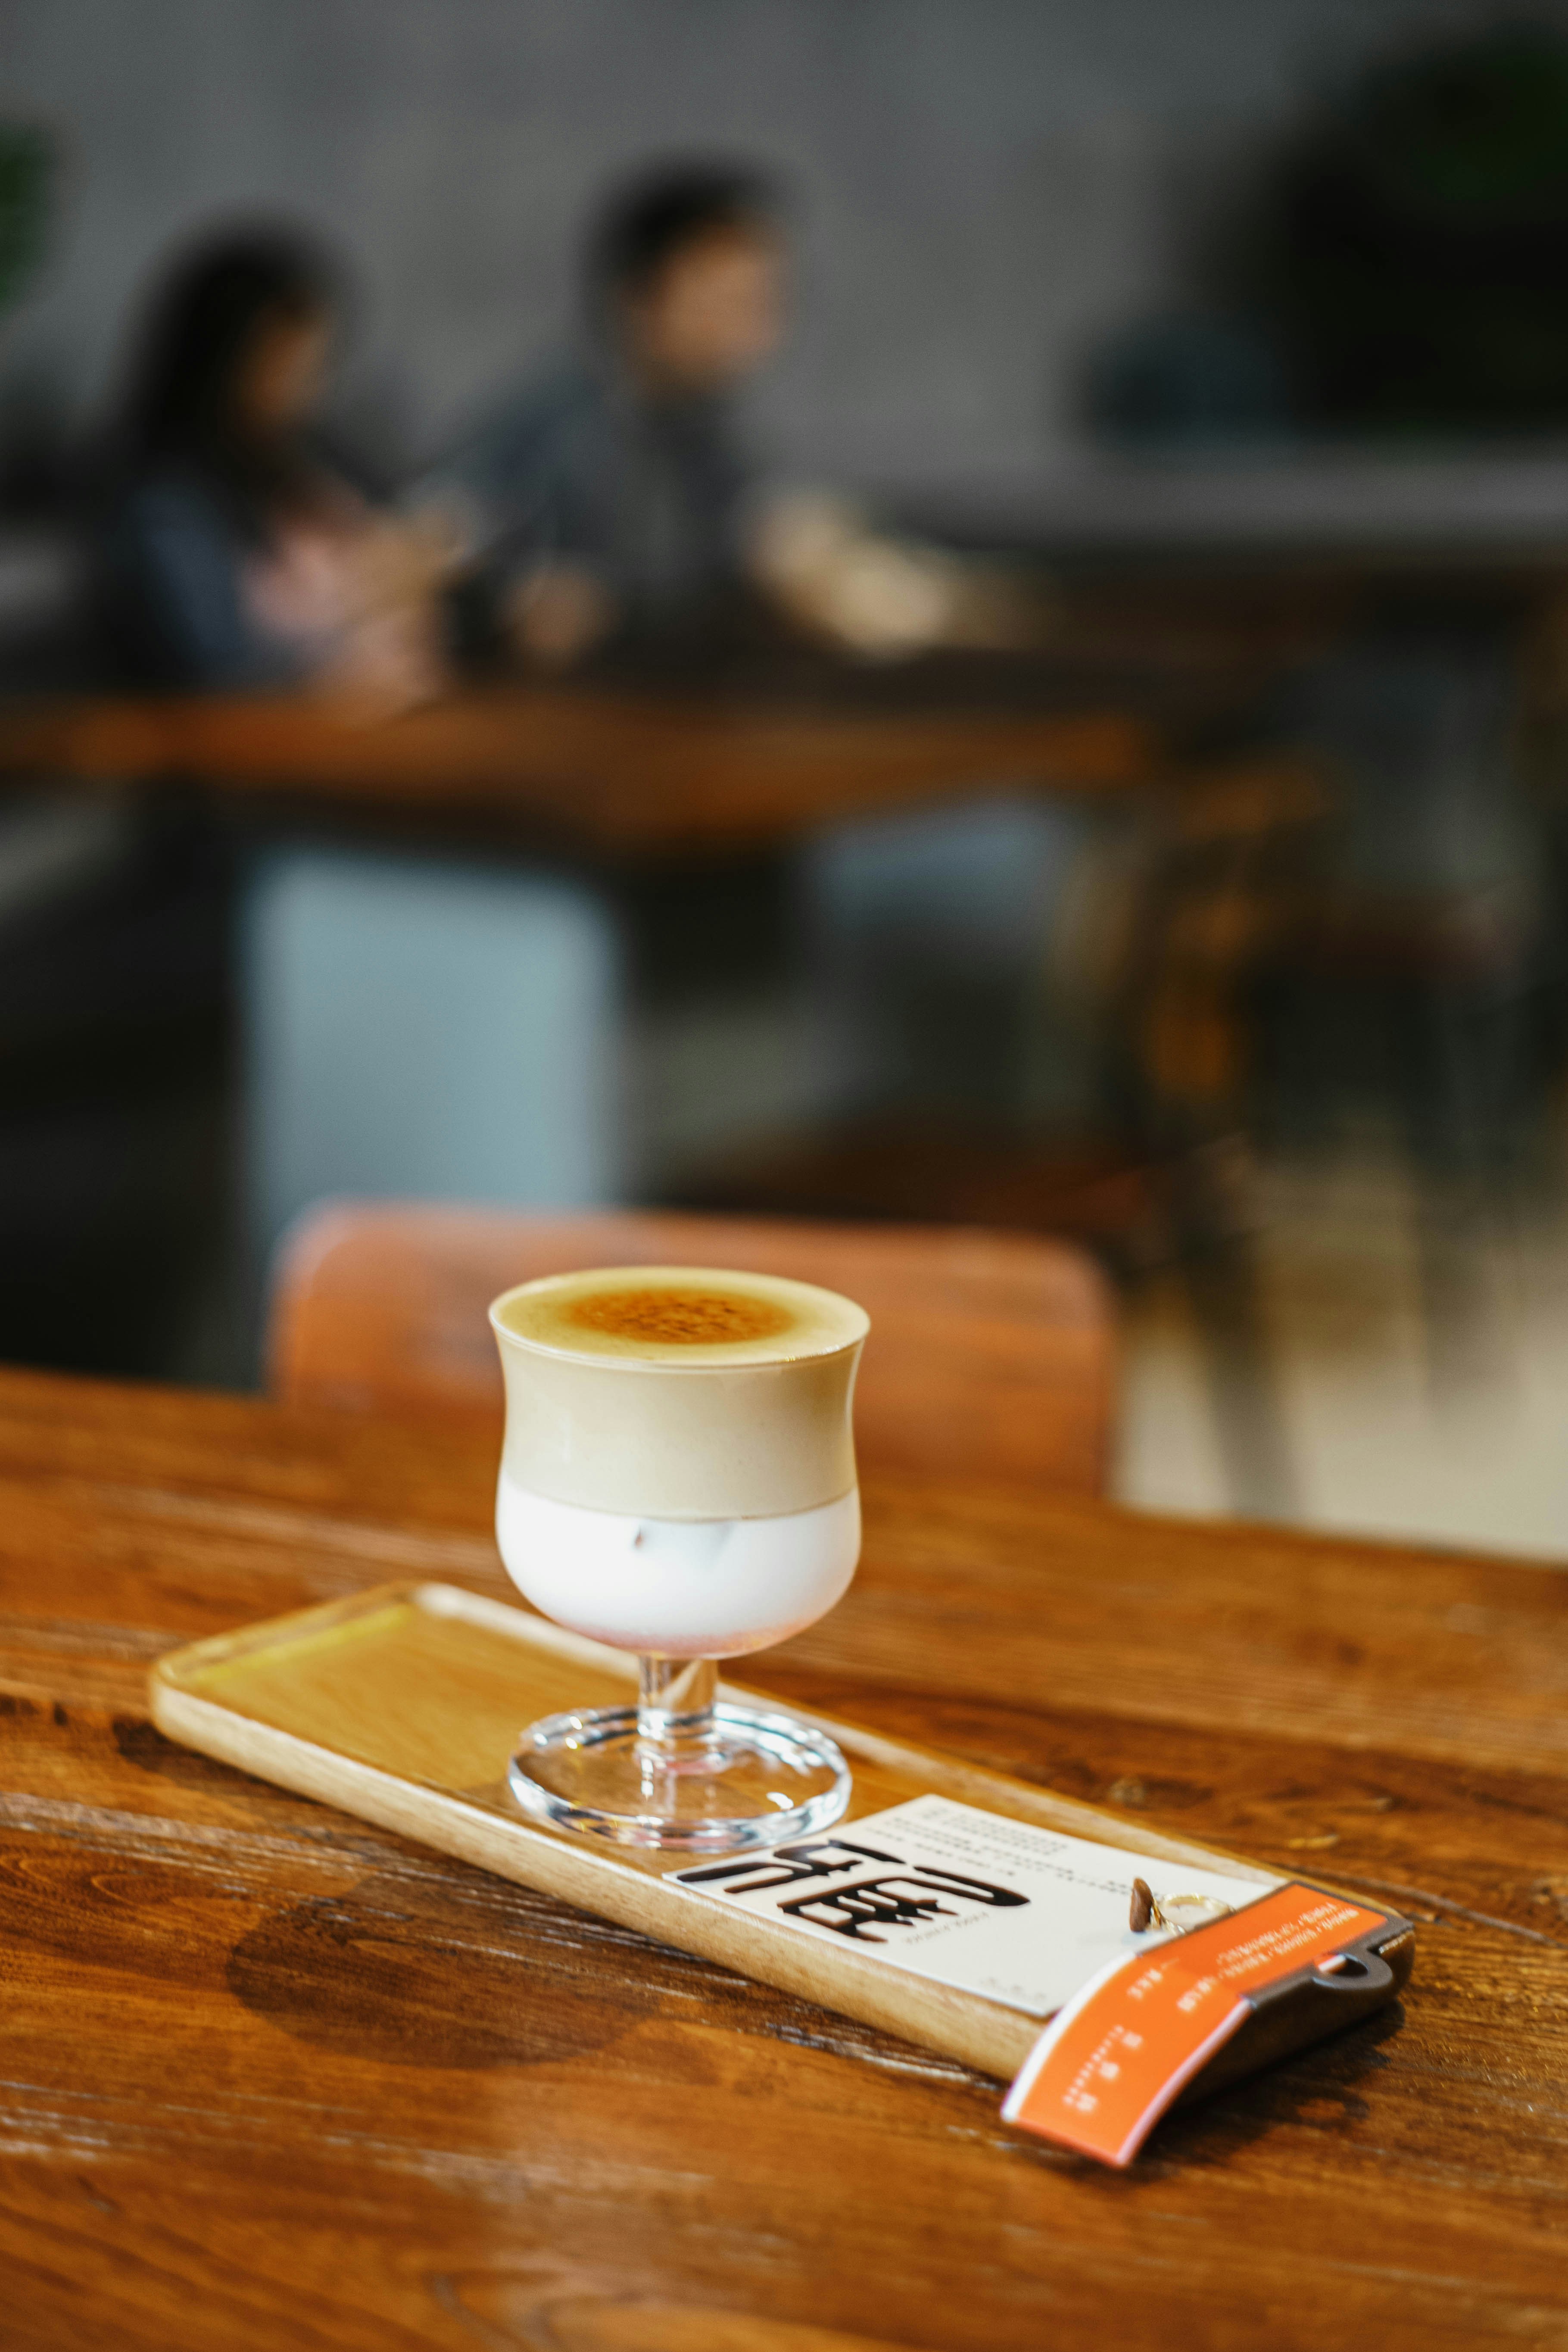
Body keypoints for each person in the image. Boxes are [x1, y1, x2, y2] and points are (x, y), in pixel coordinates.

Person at [427, 160, 1027, 670]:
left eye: (764, 301)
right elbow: (441, 537)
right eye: (723, 300)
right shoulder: (554, 422)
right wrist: (510, 600)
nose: (751, 329)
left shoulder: (700, 430)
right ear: (638, 297)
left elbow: (762, 532)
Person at [94, 227, 448, 704]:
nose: (305, 391)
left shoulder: (316, 456)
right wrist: (339, 666)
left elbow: (419, 538)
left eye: (315, 367)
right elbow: (217, 668)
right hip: (253, 757)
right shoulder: (163, 502)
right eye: (282, 368)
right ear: (219, 365)